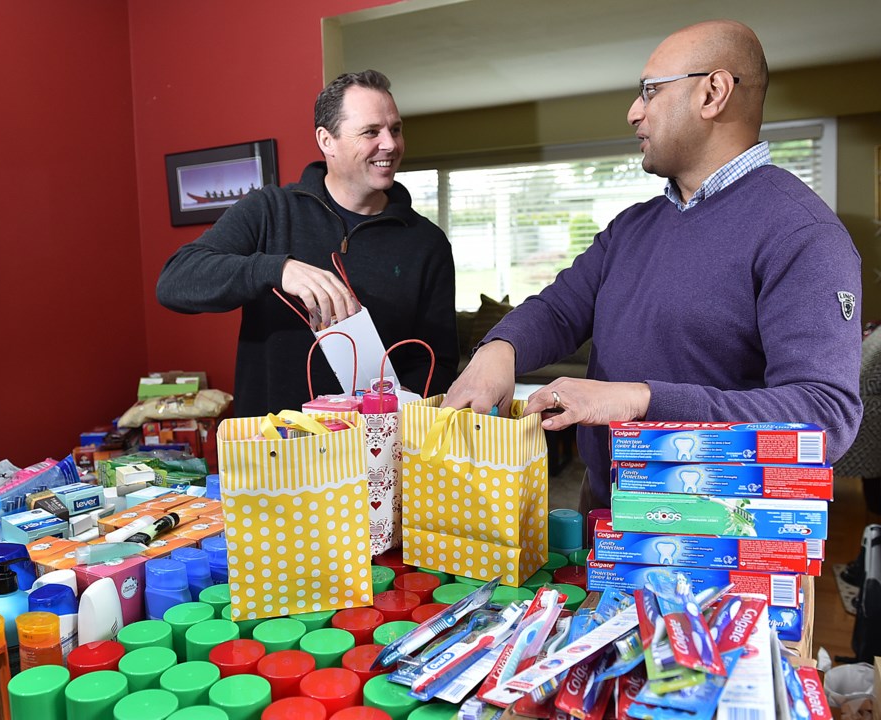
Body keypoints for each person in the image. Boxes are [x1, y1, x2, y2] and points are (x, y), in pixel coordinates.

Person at [444, 19, 863, 513]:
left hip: (722, 537)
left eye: (649, 92)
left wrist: (640, 401)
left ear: (713, 93)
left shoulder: (802, 232)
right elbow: (559, 310)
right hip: (604, 510)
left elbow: (823, 416)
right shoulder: (631, 228)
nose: (633, 112)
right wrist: (500, 349)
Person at [157, 70, 459, 416]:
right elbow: (174, 281)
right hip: (274, 453)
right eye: (371, 132)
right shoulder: (269, 210)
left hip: (374, 453)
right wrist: (277, 268)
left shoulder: (427, 242)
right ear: (326, 140)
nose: (390, 144)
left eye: (396, 129)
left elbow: (440, 360)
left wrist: (407, 397)